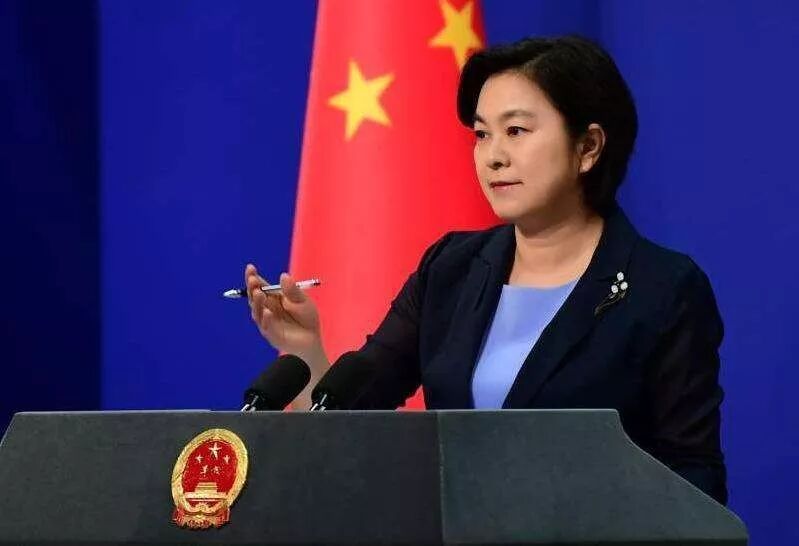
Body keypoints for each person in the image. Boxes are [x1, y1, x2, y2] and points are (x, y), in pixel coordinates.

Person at [245, 35, 728, 504]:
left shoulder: (662, 288)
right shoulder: (450, 269)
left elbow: (694, 479)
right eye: (481, 134)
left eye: (515, 131)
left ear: (588, 147)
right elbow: (353, 418)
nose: (493, 156)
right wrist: (305, 349)